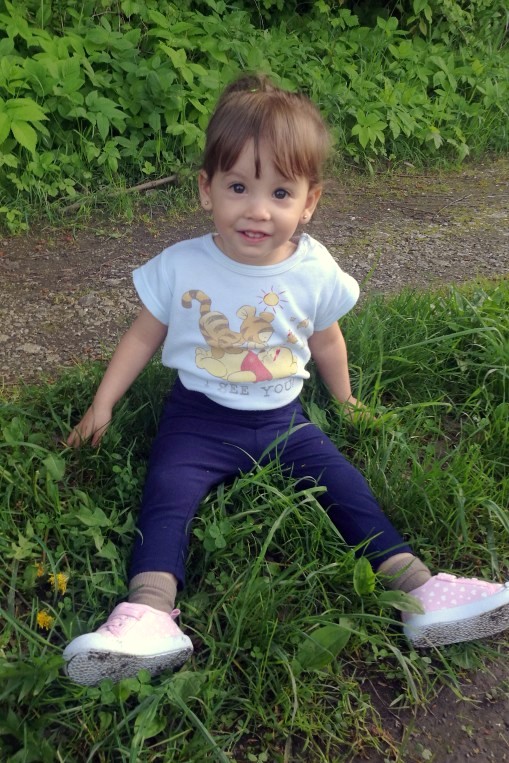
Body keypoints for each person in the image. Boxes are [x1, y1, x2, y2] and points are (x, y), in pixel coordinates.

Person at [63, 74, 509, 687]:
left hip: (285, 421)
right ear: (206, 189)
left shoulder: (314, 268)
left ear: (309, 201)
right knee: (165, 493)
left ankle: (421, 590)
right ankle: (148, 613)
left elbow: (326, 339)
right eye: (238, 187)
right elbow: (142, 337)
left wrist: (346, 400)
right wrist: (102, 405)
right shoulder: (181, 266)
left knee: (346, 486)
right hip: (197, 421)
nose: (258, 209)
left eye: (280, 191)